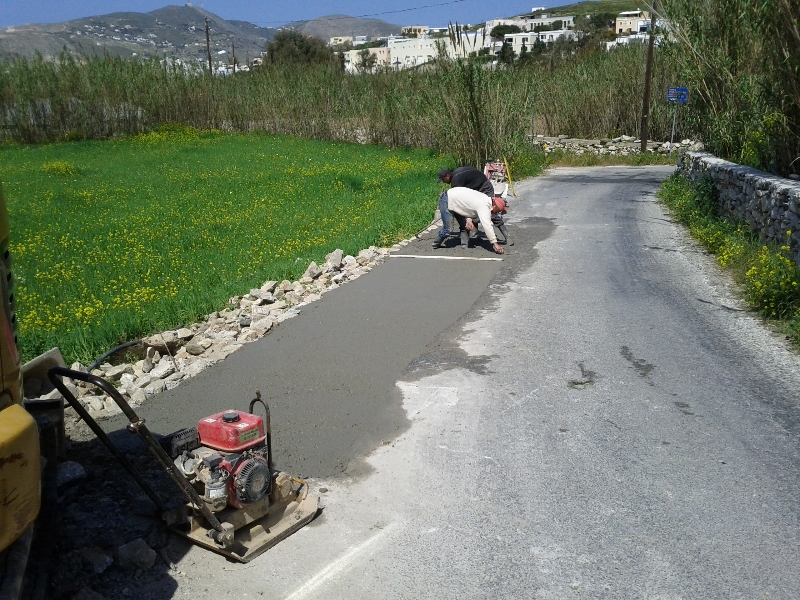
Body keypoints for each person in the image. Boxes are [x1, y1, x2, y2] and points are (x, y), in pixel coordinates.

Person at [437, 166, 513, 245]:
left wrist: (468, 218)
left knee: (490, 212)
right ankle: (474, 234)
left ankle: (507, 236)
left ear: (447, 176)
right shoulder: (456, 172)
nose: (443, 182)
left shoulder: (456, 181)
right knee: (474, 210)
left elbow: (464, 203)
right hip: (476, 189)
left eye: (443, 179)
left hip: (484, 187)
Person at [432, 187, 506, 254]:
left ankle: (464, 248)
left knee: (464, 226)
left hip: (456, 200)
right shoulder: (484, 205)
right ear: (495, 206)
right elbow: (487, 225)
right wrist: (495, 243)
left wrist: (469, 219)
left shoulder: (485, 198)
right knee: (448, 229)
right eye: (497, 211)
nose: (496, 213)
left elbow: (468, 206)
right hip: (447, 199)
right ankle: (435, 244)